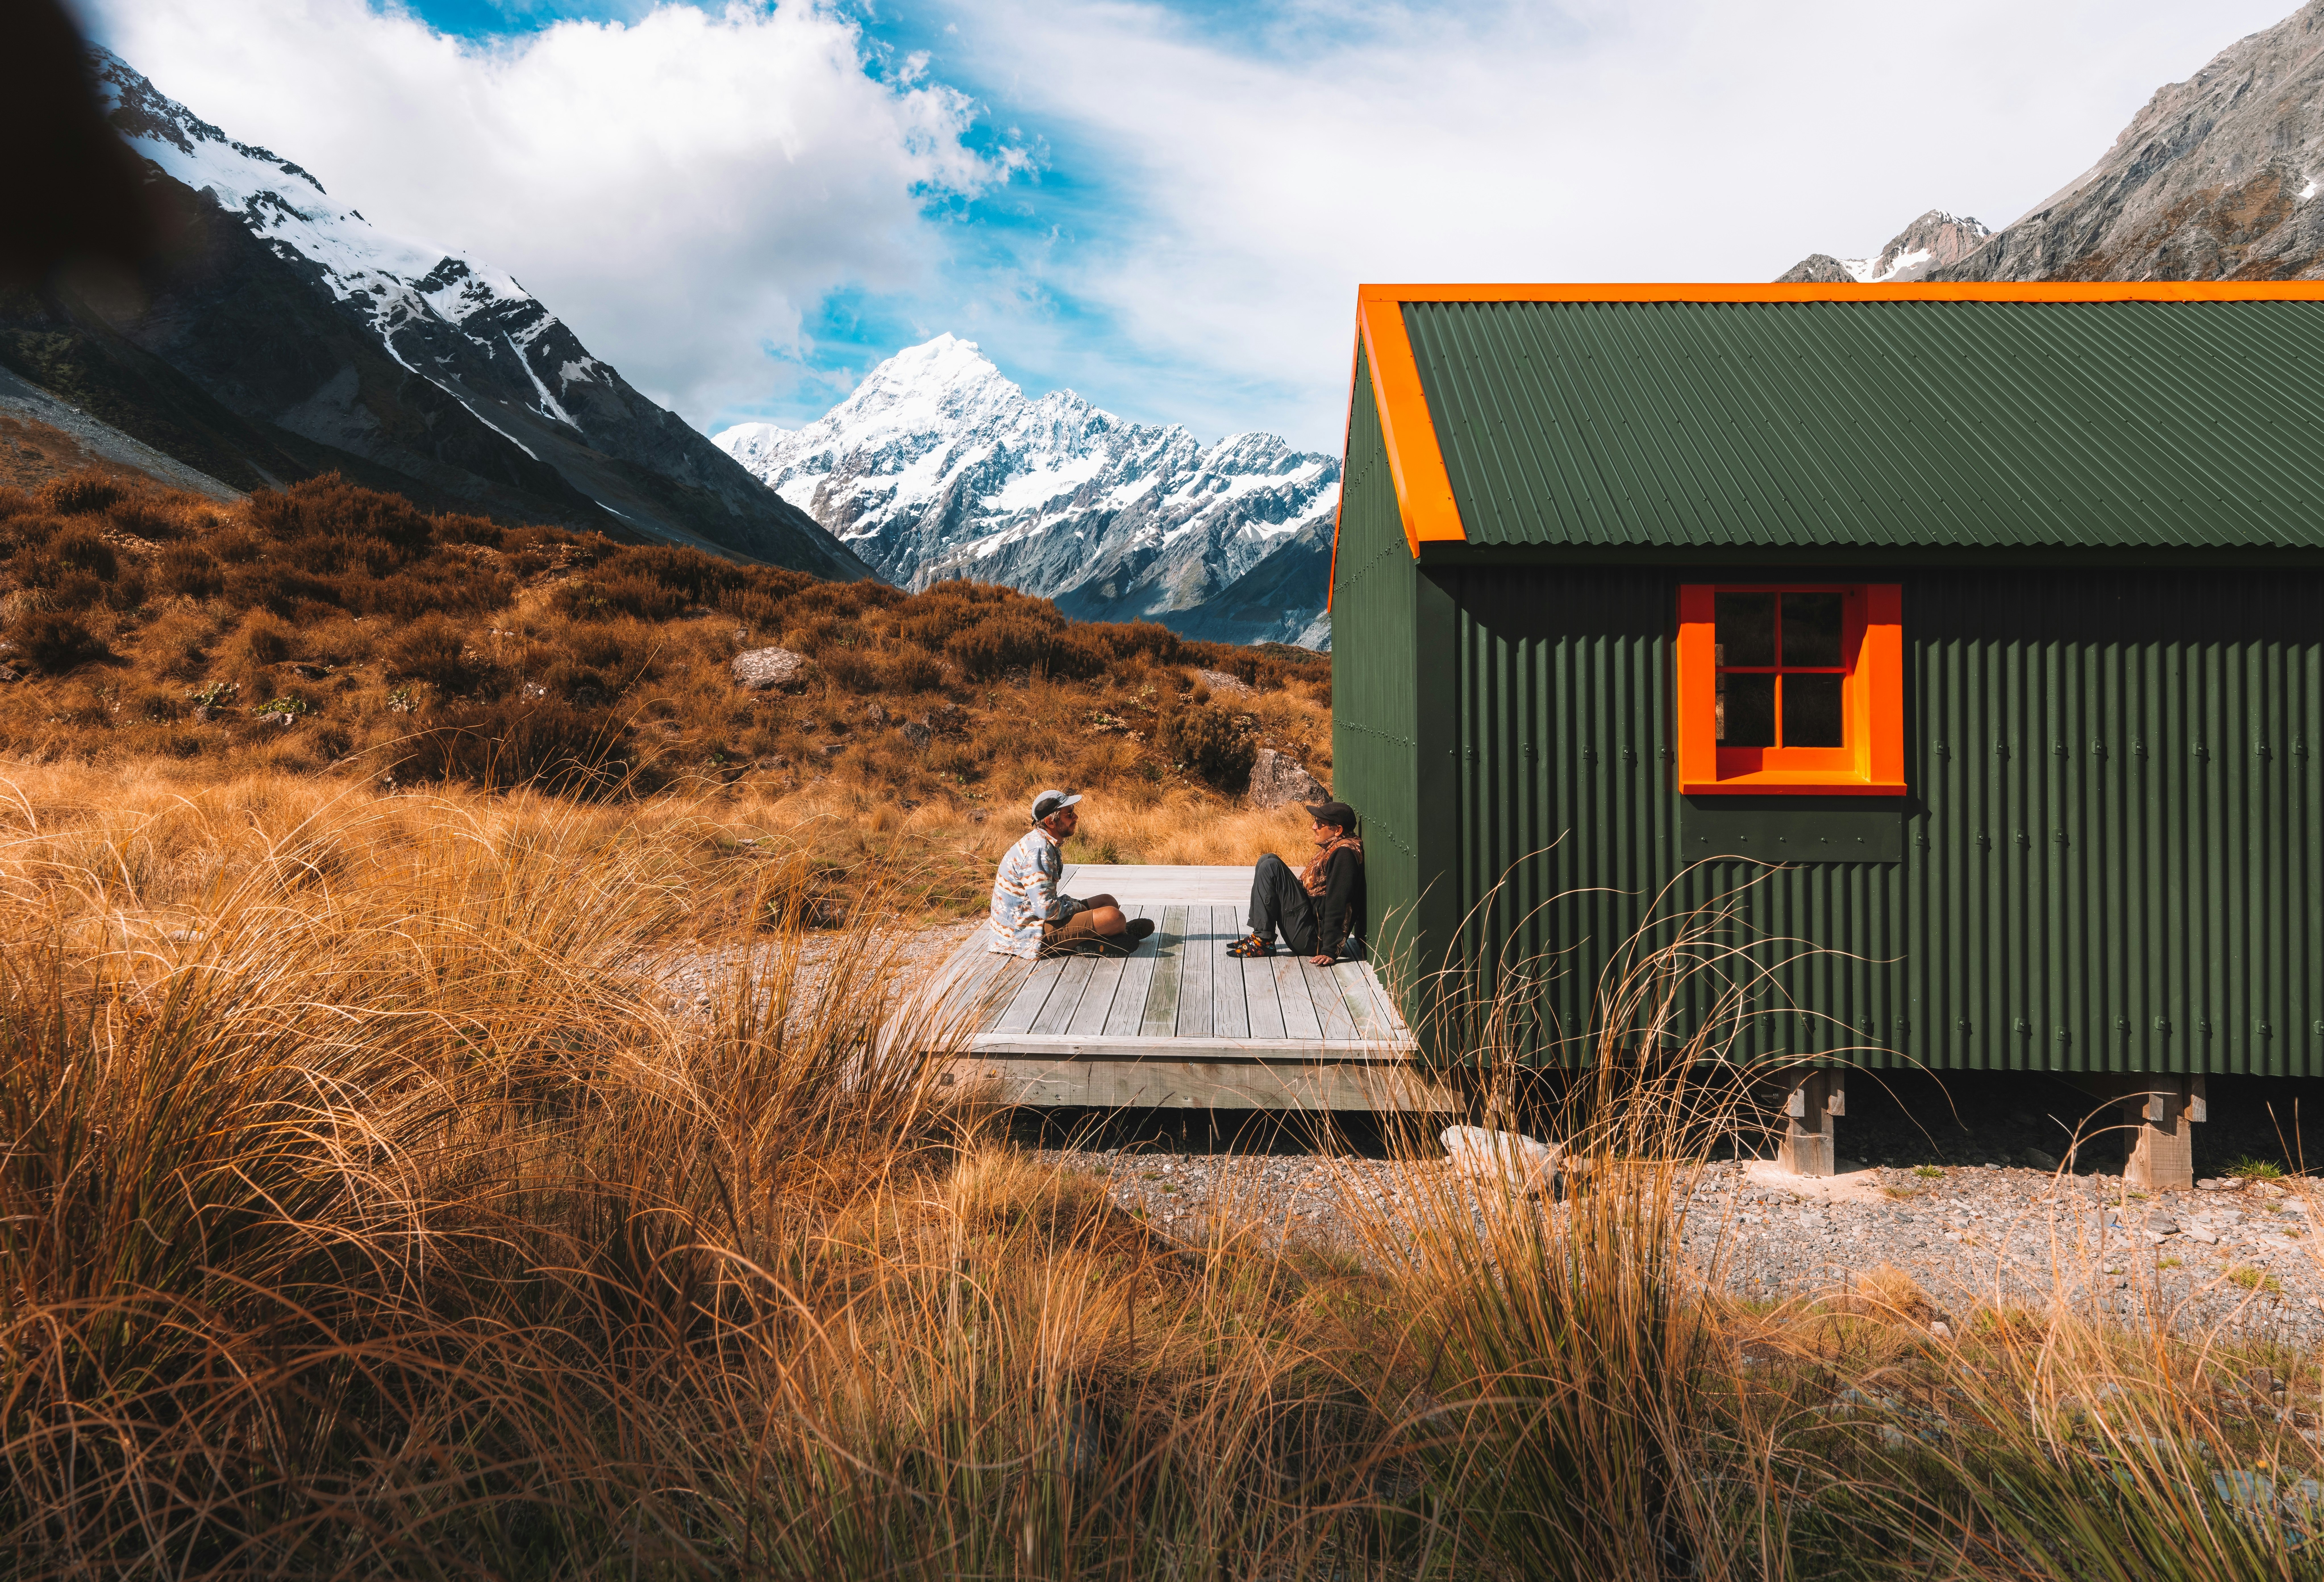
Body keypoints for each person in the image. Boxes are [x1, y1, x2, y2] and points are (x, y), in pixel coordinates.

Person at [988, 789, 1158, 959]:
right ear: (1050, 822)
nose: (1075, 817)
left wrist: (1075, 906)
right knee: (1114, 916)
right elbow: (1045, 910)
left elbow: (1045, 903)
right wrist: (1080, 907)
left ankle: (1112, 933)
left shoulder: (1044, 842)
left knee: (1108, 901)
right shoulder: (1038, 852)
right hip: (1025, 935)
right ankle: (1116, 931)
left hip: (1035, 920)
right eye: (1069, 814)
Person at [1228, 800, 1365, 964]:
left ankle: (1263, 942)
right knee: (1267, 859)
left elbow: (1340, 903)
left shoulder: (1344, 854)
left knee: (1271, 866)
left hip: (1314, 940)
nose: (1314, 827)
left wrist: (1330, 950)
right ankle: (1261, 937)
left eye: (1320, 824)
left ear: (1338, 830)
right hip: (1307, 922)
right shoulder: (1336, 845)